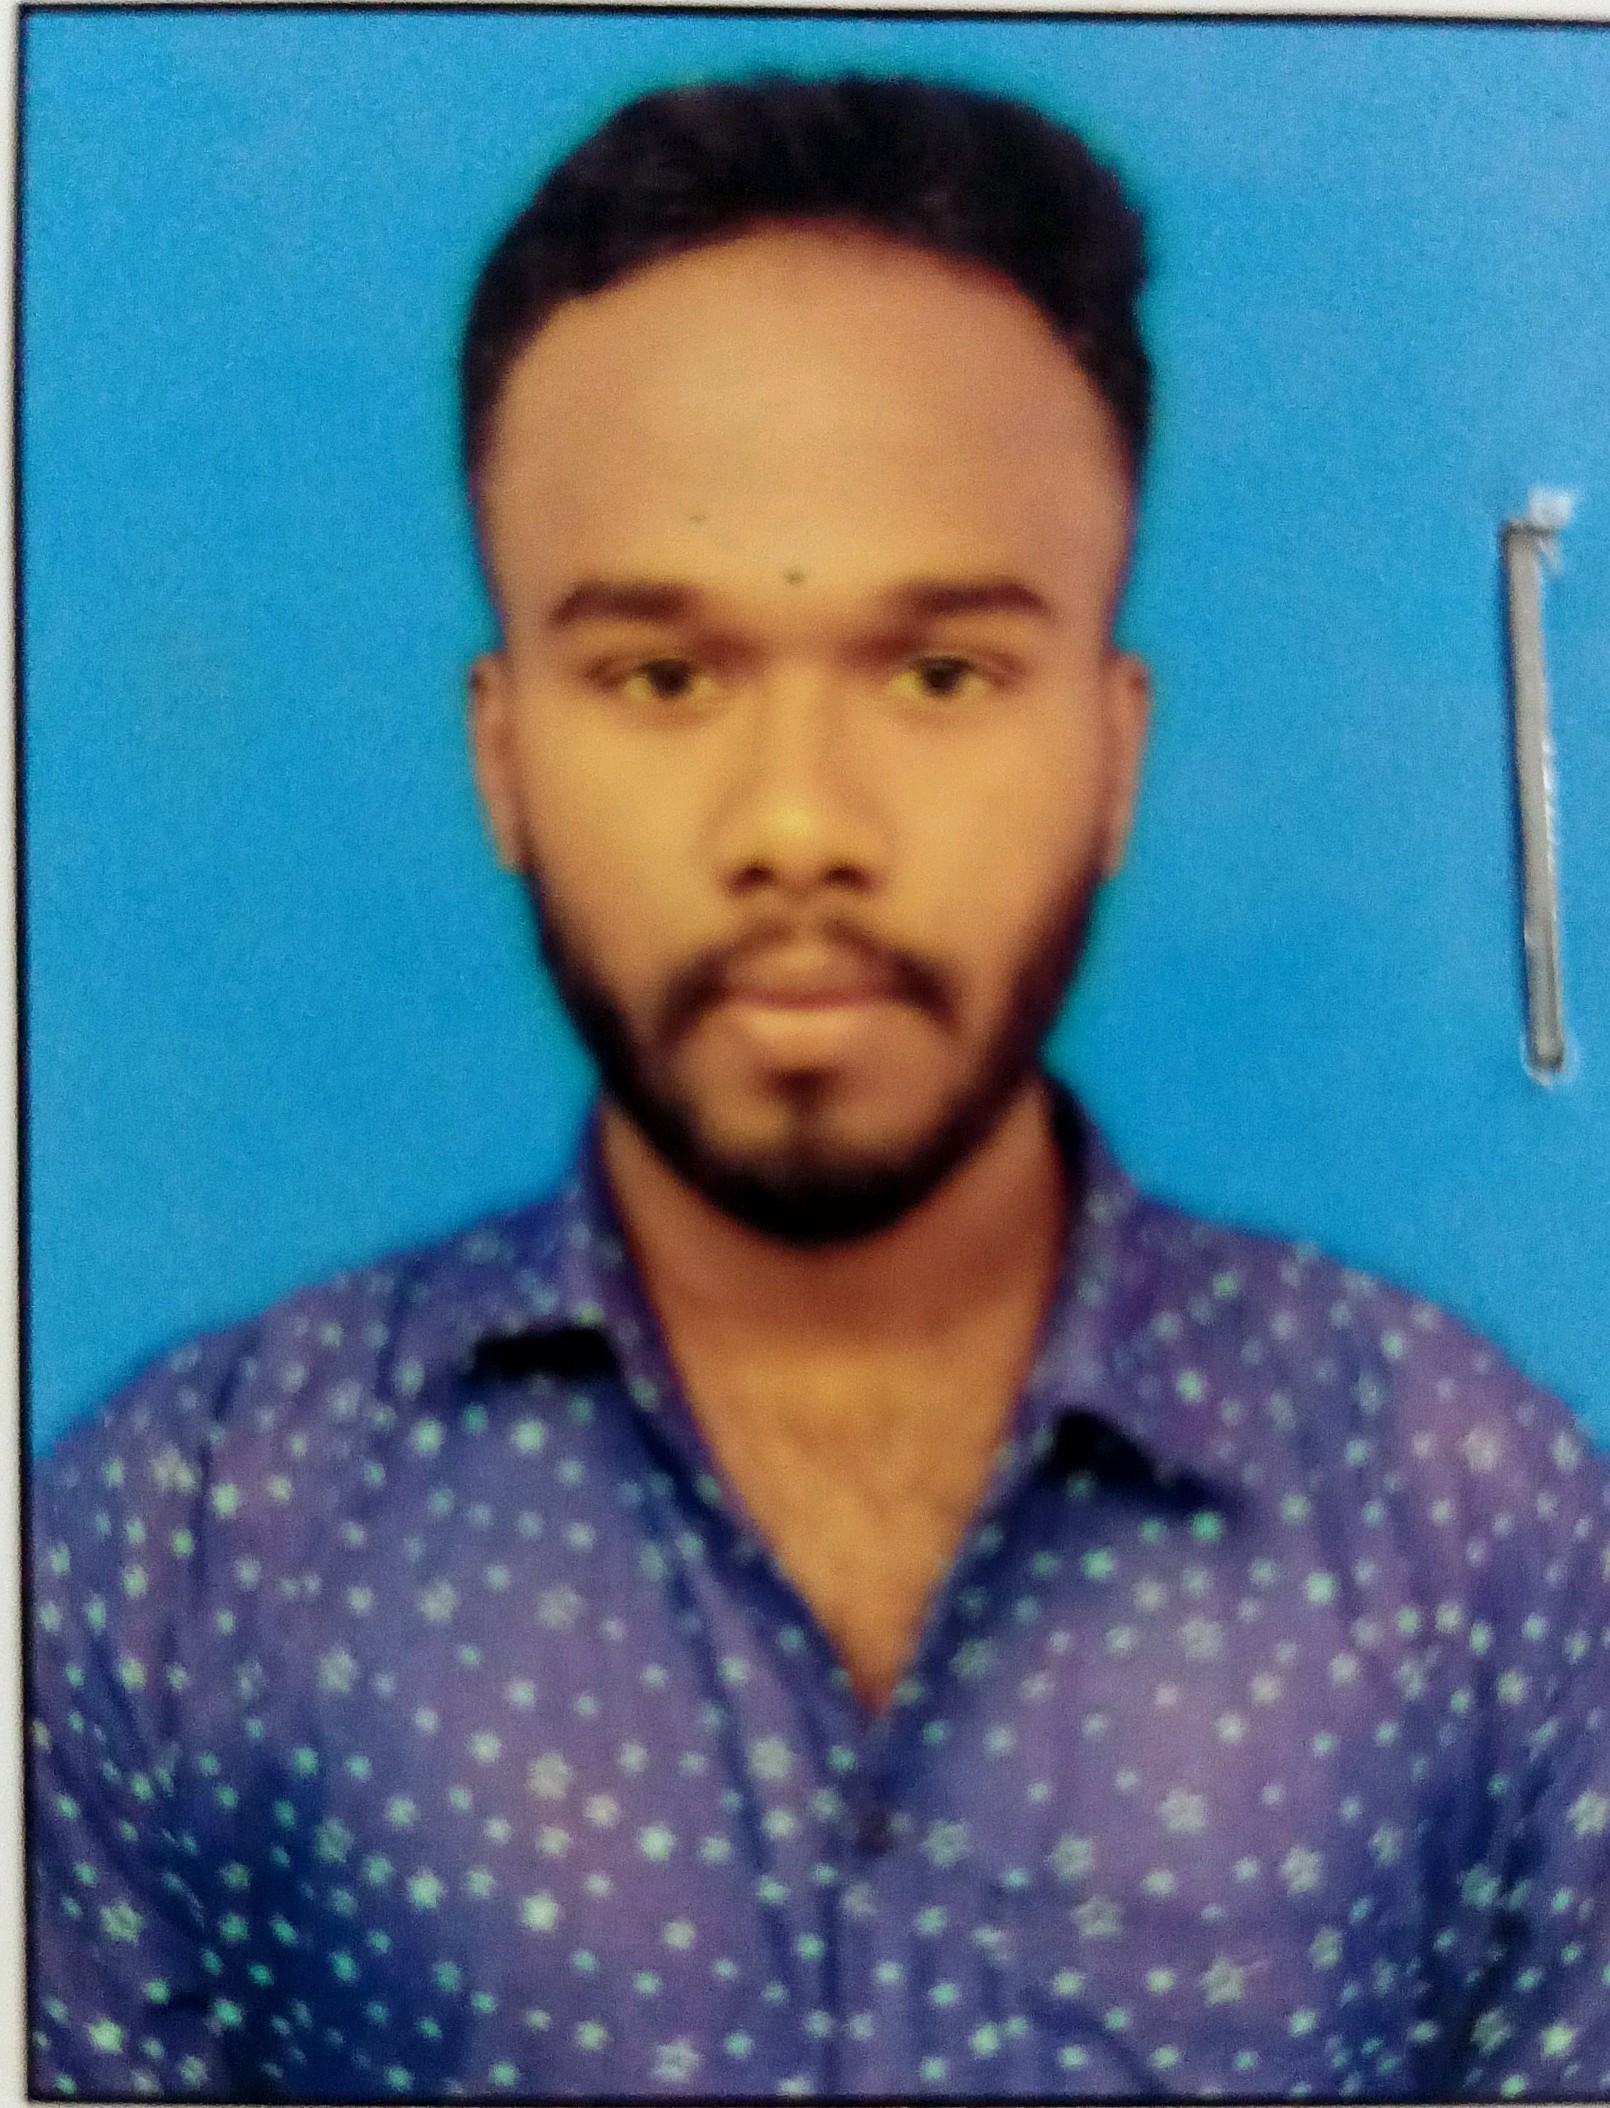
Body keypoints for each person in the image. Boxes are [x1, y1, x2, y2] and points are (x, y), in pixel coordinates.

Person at [26, 72, 1610, 2104]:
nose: (796, 825)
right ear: (503, 755)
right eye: (662, 675)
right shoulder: (172, 1552)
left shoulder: (1479, 1528)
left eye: (940, 672)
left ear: (1111, 753)